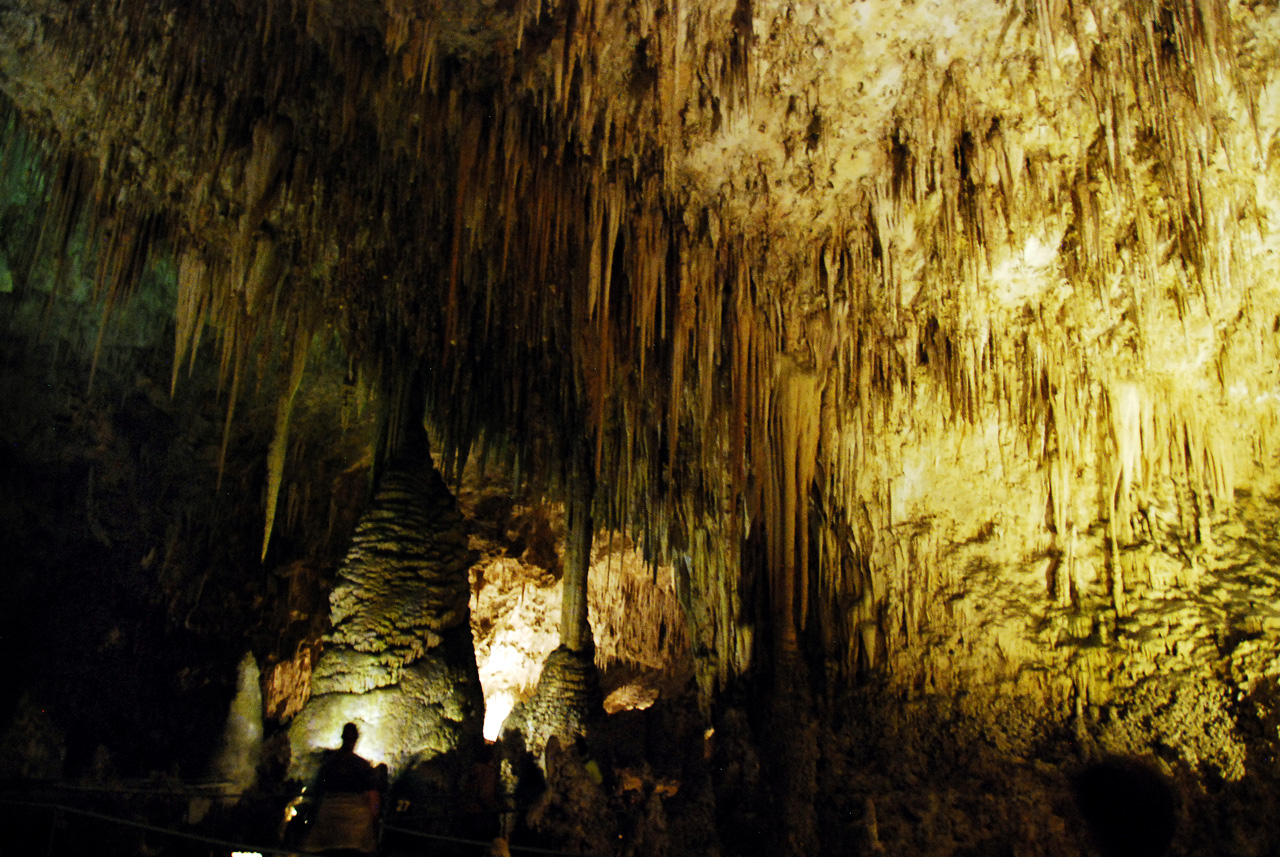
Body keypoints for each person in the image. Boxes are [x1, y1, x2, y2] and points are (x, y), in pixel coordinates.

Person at [302, 723, 383, 856]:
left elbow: (318, 794)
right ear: (356, 739)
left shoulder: (329, 764)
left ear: (342, 737)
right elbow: (373, 797)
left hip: (329, 825)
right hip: (356, 828)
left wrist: (312, 821)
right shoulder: (363, 766)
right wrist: (374, 823)